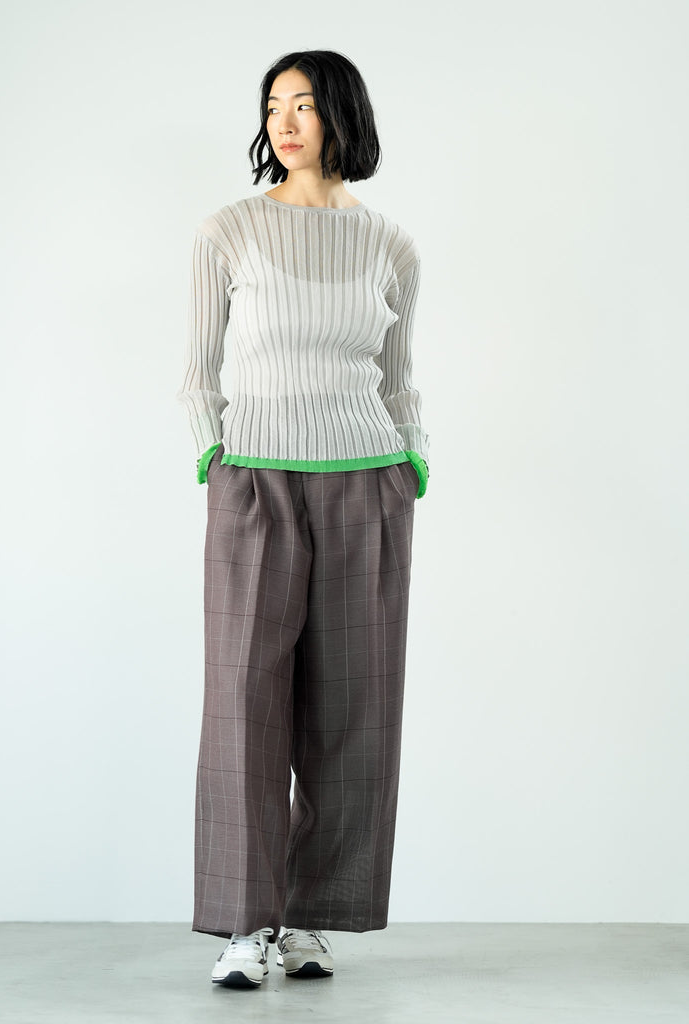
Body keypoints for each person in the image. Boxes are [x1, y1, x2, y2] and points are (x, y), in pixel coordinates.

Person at [177, 49, 430, 989]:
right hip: (255, 483)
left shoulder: (390, 245)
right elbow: (197, 370)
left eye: (305, 105)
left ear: (342, 117)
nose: (284, 122)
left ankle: (311, 917)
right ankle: (245, 925)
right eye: (273, 105)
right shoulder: (228, 230)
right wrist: (214, 454)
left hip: (367, 483)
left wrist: (412, 459)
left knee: (352, 712)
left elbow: (398, 378)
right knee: (243, 703)